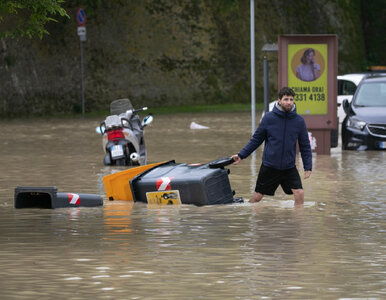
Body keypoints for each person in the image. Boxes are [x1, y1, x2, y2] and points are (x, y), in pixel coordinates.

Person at [231, 87, 312, 206]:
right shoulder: (269, 118)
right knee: (257, 197)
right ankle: (248, 214)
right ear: (279, 100)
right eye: (286, 99)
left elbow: (305, 145)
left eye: (291, 99)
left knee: (299, 193)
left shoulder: (299, 121)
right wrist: (241, 155)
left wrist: (308, 167)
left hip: (289, 167)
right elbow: (256, 140)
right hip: (269, 166)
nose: (289, 102)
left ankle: (297, 222)